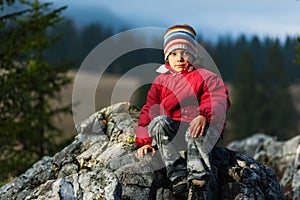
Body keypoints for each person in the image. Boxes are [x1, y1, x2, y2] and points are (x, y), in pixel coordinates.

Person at [135, 24, 230, 199]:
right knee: (158, 122)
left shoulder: (206, 76)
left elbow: (217, 99)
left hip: (200, 130)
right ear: (166, 57)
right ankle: (177, 175)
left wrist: (204, 115)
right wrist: (145, 142)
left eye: (184, 53)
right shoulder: (160, 80)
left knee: (195, 133)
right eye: (173, 54)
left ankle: (198, 183)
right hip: (174, 131)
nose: (179, 58)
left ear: (193, 54)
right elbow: (149, 109)